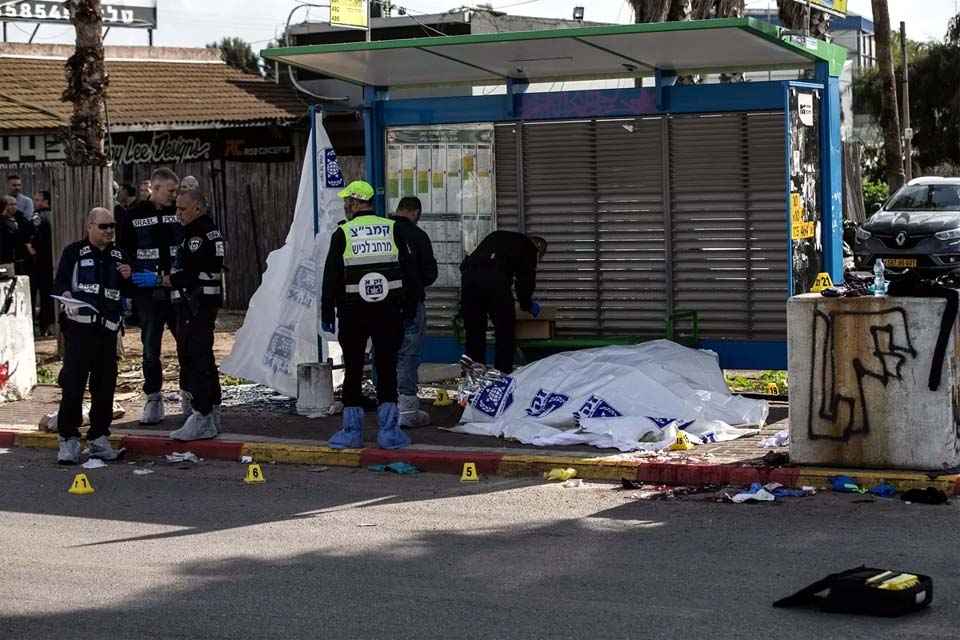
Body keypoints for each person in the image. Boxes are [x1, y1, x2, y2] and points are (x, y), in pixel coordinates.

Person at [321, 181, 416, 450]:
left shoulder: (343, 233)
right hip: (388, 312)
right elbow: (409, 272)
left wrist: (327, 312)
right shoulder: (392, 229)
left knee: (352, 369)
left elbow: (331, 278)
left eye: (346, 201)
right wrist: (408, 310)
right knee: (387, 367)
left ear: (354, 202)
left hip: (354, 313)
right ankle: (389, 432)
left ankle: (352, 432)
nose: (345, 205)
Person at [133, 189, 225, 440]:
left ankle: (202, 416)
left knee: (193, 358)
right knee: (203, 358)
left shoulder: (197, 235)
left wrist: (159, 279)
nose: (178, 214)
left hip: (194, 305)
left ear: (197, 208)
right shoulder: (206, 230)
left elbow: (189, 274)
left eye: (182, 209)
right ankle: (211, 414)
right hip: (200, 305)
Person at [53, 207, 131, 464]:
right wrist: (65, 293)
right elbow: (60, 281)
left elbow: (128, 290)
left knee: (105, 386)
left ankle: (99, 438)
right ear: (89, 227)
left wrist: (128, 276)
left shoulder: (119, 254)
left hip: (107, 331)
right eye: (103, 226)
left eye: (112, 226)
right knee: (74, 384)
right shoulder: (74, 252)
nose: (109, 231)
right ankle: (68, 439)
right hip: (79, 329)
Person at [120, 167, 182, 425]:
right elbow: (124, 252)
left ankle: (190, 397)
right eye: (170, 191)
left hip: (178, 291)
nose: (174, 196)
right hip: (148, 294)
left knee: (187, 346)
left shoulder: (179, 211)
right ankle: (153, 399)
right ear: (155, 189)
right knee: (150, 350)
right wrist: (129, 289)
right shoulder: (133, 216)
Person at [460, 231, 547, 374]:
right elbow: (525, 281)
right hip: (495, 281)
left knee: (474, 331)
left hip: (469, 279)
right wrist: (527, 304)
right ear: (538, 249)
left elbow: (471, 260)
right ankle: (501, 374)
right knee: (504, 330)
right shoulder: (529, 248)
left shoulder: (499, 236)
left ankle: (473, 375)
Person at [390, 196, 437, 428]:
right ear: (416, 212)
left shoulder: (383, 230)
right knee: (408, 356)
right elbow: (430, 273)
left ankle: (387, 407)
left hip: (383, 307)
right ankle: (407, 410)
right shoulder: (418, 235)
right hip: (410, 305)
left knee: (386, 355)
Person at [31, 190, 54, 336]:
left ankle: (43, 326)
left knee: (41, 296)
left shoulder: (38, 217)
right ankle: (48, 325)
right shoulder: (55, 215)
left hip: (40, 262)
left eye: (39, 200)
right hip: (53, 261)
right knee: (49, 296)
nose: (36, 202)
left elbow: (32, 237)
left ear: (46, 201)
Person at [0, 196, 18, 264]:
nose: (14, 207)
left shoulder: (16, 220)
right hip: (7, 260)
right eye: (11, 204)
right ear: (6, 207)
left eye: (15, 204)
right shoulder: (9, 224)